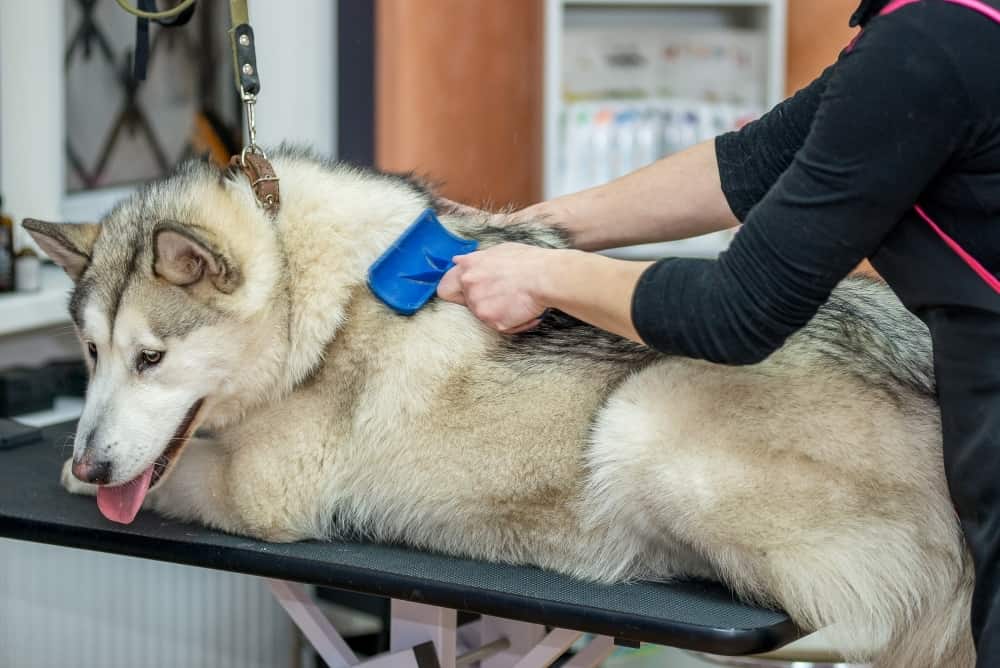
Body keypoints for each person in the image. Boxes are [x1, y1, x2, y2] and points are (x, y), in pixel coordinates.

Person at [437, 0, 1000, 662]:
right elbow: (758, 159)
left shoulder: (928, 45)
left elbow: (738, 309)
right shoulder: (948, 27)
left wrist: (545, 273)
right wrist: (532, 226)